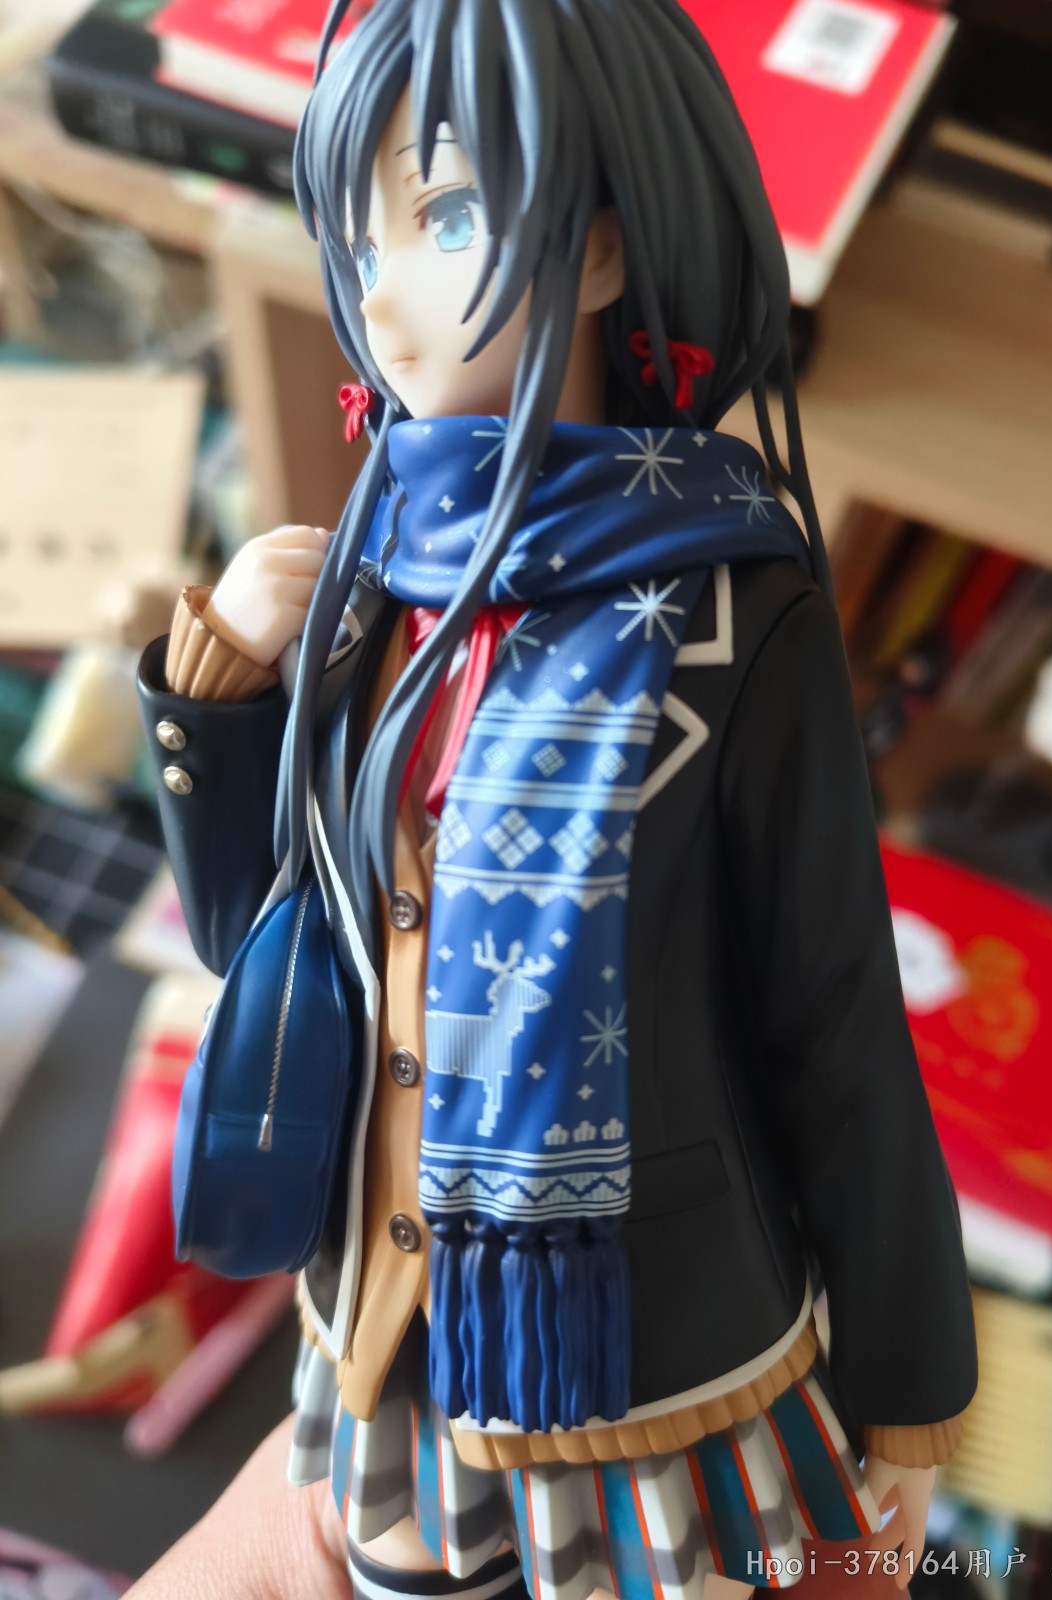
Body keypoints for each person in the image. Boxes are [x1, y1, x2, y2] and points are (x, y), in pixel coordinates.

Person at [137, 2, 977, 1596]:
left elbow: (839, 1024)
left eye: (446, 216)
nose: (382, 294)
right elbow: (258, 938)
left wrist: (910, 1382)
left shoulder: (733, 612)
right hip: (390, 1312)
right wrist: (222, 687)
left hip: (639, 1334)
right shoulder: (376, 568)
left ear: (597, 250)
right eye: (359, 236)